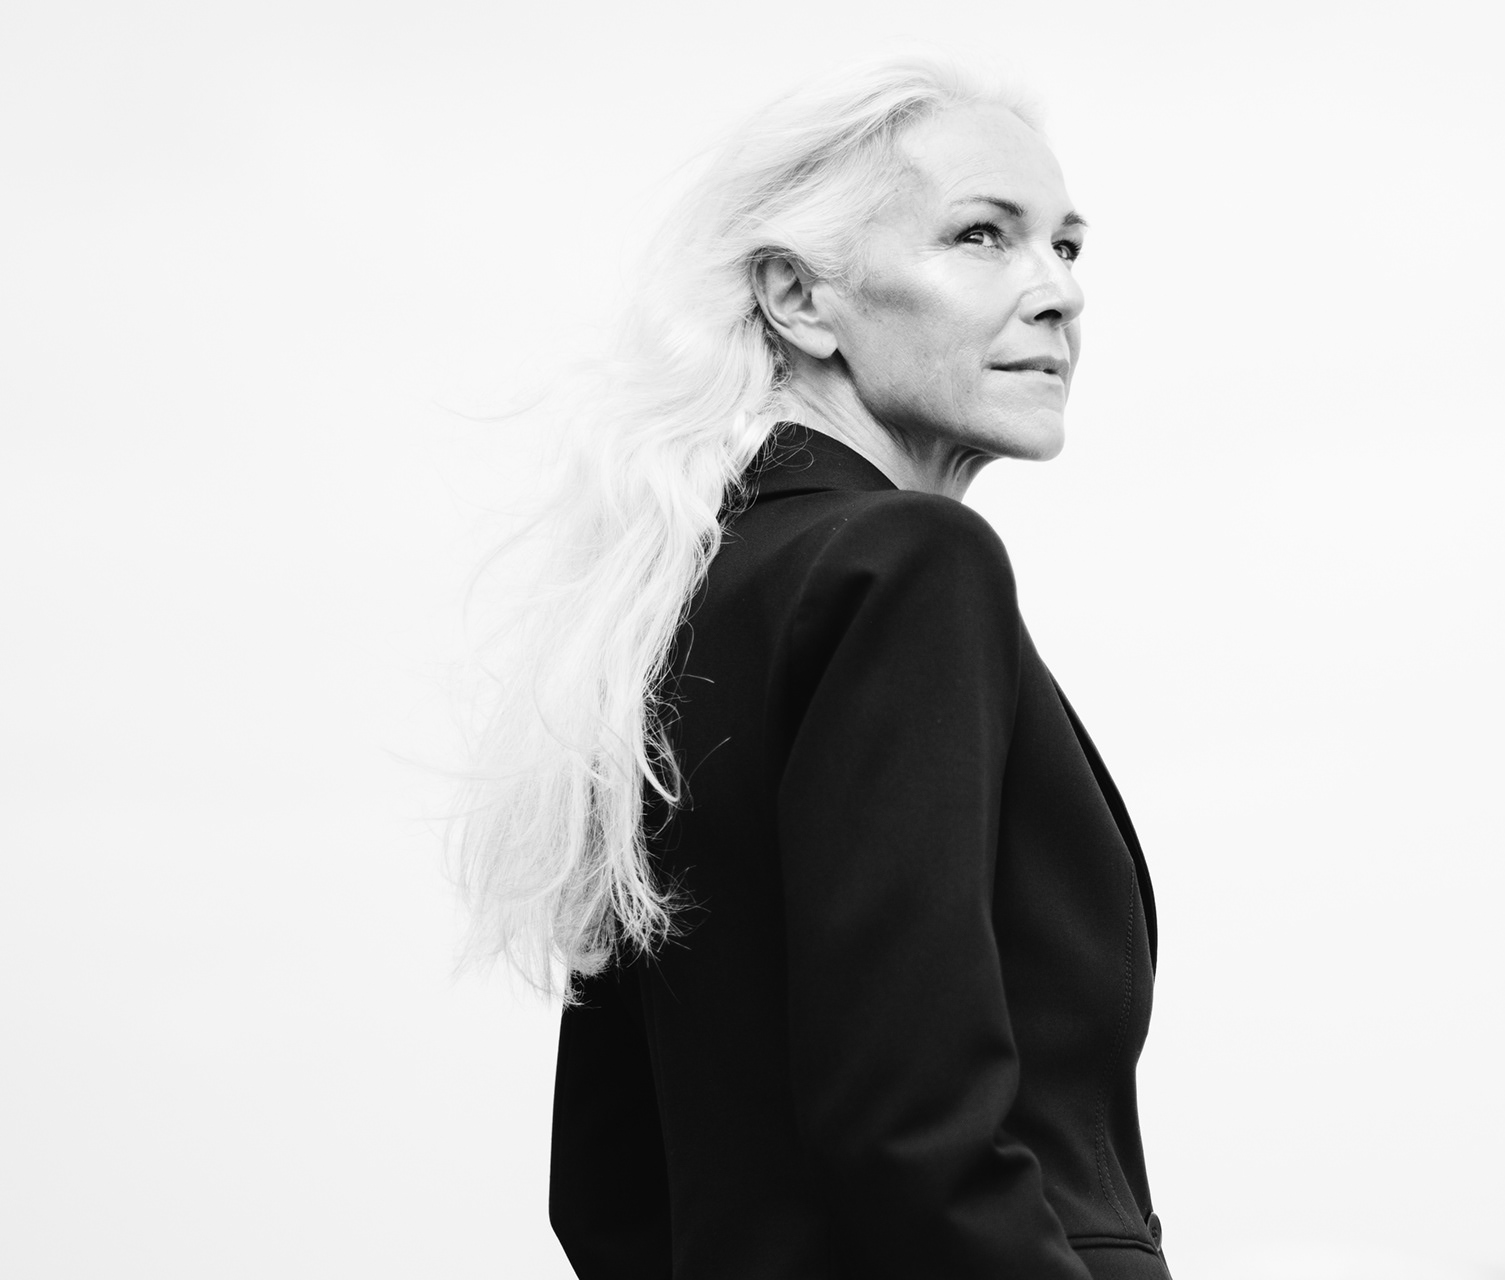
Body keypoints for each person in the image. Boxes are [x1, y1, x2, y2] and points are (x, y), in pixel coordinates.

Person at [457, 54, 1169, 1279]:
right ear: (799, 297)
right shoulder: (907, 565)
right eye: (983, 237)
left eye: (1068, 246)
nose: (1057, 292)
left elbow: (609, 1189)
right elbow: (917, 1134)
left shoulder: (665, 610)